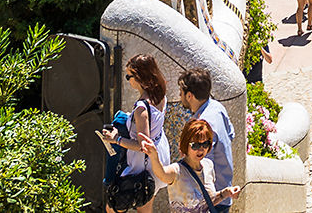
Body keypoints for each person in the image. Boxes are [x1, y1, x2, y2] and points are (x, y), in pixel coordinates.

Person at [102, 52, 170, 212]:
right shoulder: (161, 95)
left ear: (140, 77)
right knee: (145, 204)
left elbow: (142, 146)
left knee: (113, 206)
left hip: (141, 165)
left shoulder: (141, 108)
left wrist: (116, 139)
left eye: (129, 77)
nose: (128, 80)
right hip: (159, 159)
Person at [141, 110, 238, 213]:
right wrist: (154, 156)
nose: (201, 149)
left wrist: (225, 193)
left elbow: (206, 203)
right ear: (185, 145)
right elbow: (161, 173)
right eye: (195, 145)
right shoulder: (177, 171)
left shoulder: (208, 165)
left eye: (205, 144)